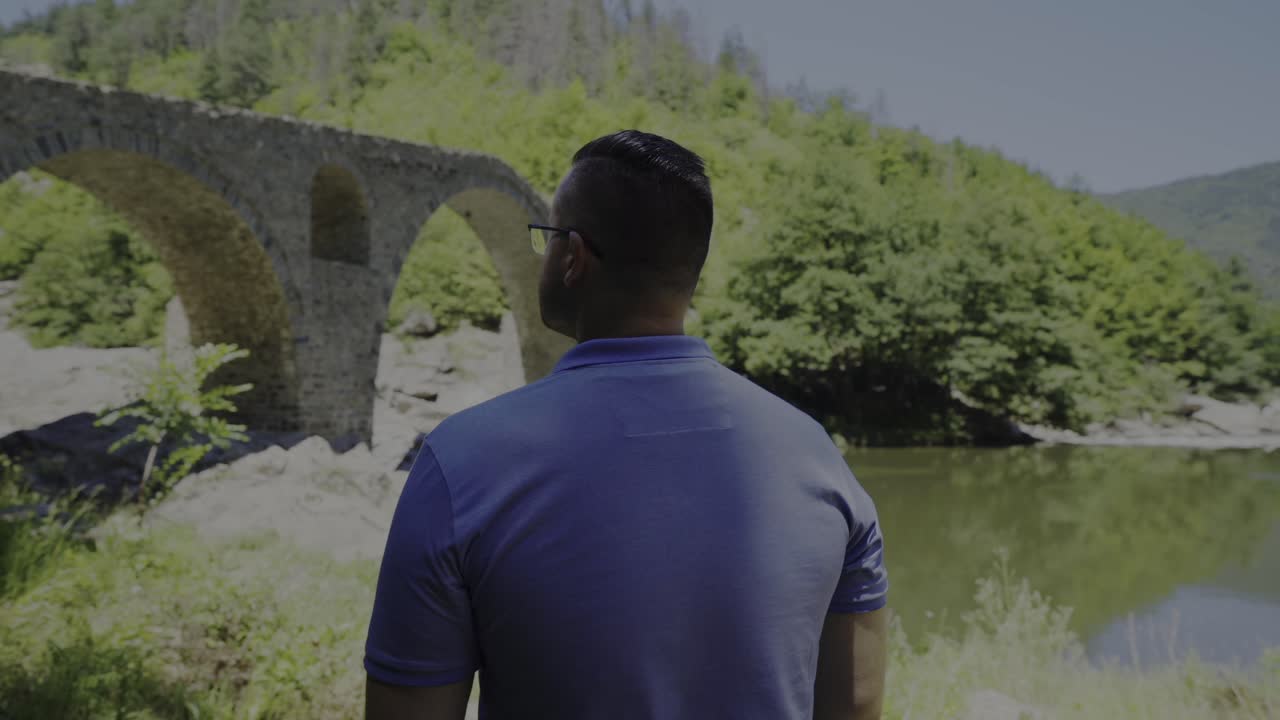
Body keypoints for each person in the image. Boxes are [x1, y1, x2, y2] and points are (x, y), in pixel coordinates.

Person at [363, 130, 888, 720]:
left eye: (547, 237)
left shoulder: (459, 464)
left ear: (573, 257)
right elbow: (856, 703)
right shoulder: (820, 458)